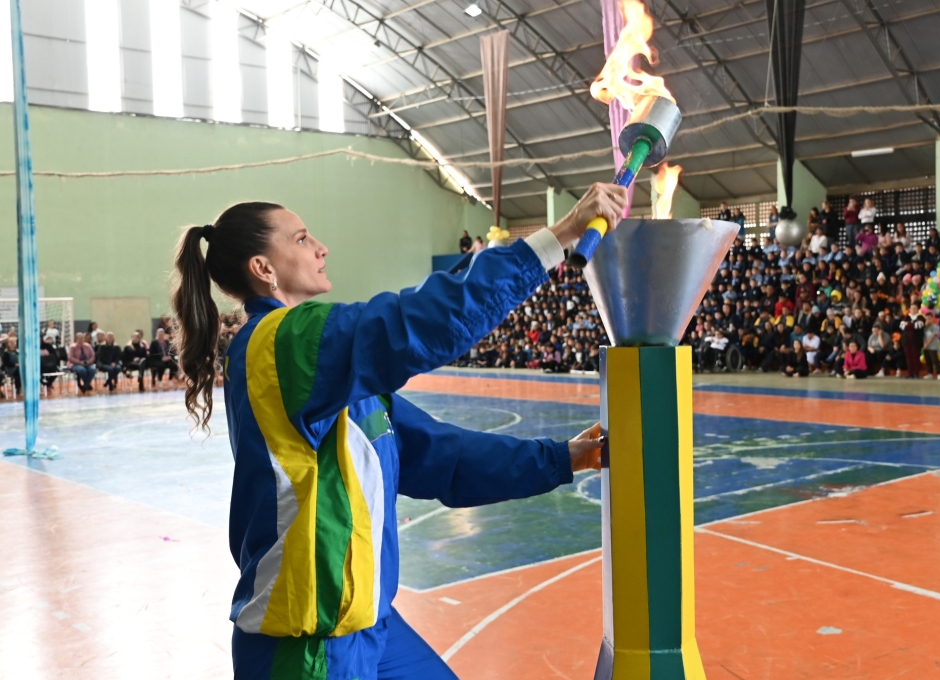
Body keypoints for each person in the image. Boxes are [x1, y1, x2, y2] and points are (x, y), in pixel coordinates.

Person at [169, 188, 623, 680]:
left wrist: (564, 458)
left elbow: (441, 457)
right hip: (307, 648)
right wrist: (561, 234)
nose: (321, 248)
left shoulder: (332, 376)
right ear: (264, 268)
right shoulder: (281, 343)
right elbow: (422, 322)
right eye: (302, 239)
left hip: (368, 624)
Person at [922, 312, 940, 380]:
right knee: (928, 360)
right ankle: (930, 373)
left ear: (932, 318)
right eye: (927, 318)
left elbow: (933, 336)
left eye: (930, 318)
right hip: (926, 346)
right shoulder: (924, 327)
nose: (928, 320)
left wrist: (928, 344)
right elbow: (923, 336)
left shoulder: (936, 326)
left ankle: (939, 373)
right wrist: (925, 344)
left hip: (933, 346)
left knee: (935, 360)